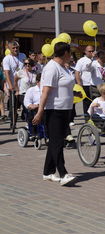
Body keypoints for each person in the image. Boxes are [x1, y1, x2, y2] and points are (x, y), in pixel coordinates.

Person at [32, 42, 77, 186]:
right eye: (70, 53)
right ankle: (63, 173)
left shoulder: (63, 67)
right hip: (54, 110)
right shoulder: (51, 68)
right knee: (57, 142)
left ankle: (48, 172)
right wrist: (40, 112)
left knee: (55, 142)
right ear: (65, 53)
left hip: (65, 109)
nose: (71, 55)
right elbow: (45, 92)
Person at [2, 41, 26, 119]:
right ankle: (12, 120)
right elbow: (7, 73)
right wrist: (11, 86)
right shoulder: (7, 59)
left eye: (17, 47)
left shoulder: (23, 55)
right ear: (9, 49)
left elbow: (26, 67)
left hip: (23, 85)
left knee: (25, 103)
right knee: (14, 105)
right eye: (13, 48)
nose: (16, 49)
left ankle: (24, 116)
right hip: (13, 86)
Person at [74, 45, 96, 120]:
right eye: (90, 51)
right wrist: (79, 83)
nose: (91, 52)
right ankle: (87, 119)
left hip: (95, 84)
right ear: (85, 52)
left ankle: (96, 119)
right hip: (85, 84)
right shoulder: (81, 60)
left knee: (95, 101)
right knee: (86, 103)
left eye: (93, 51)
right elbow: (77, 72)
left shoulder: (96, 60)